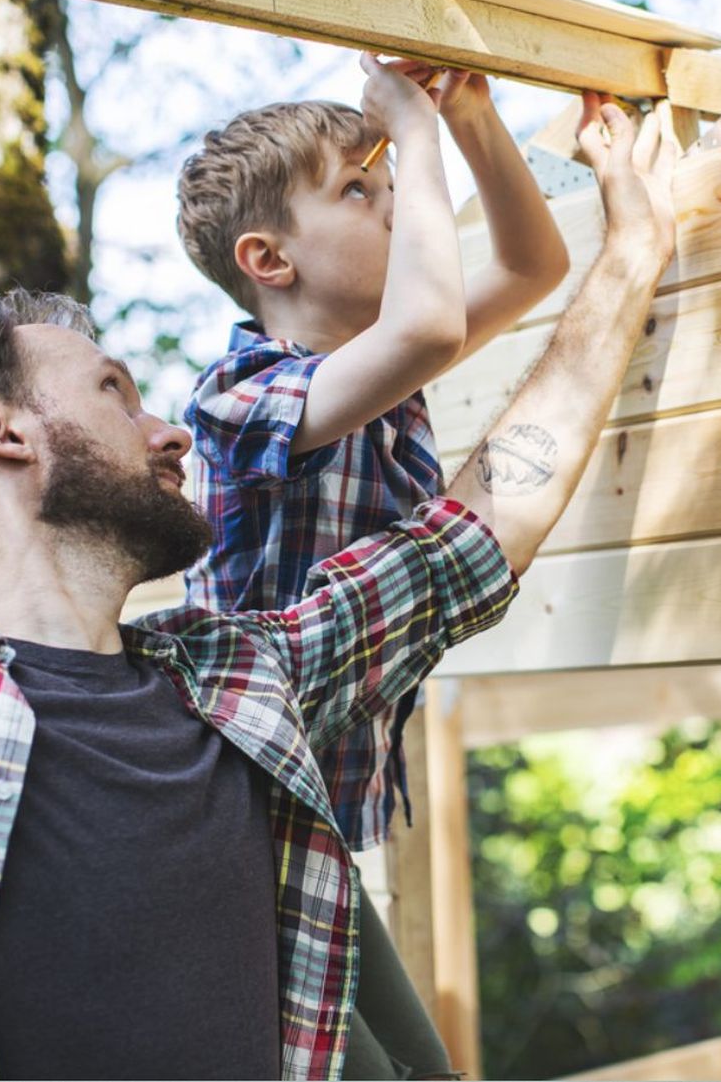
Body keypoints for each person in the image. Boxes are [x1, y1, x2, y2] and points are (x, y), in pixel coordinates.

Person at [0, 0, 679, 1082]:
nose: (172, 423)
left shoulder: (247, 686)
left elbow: (480, 526)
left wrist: (632, 258)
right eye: (114, 391)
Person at [175, 58, 570, 1077]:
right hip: (215, 841)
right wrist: (415, 133)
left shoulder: (382, 378)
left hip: (299, 836)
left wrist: (472, 120)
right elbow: (431, 322)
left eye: (389, 184)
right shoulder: (239, 399)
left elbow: (532, 266)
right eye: (360, 189)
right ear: (268, 258)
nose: (395, 204)